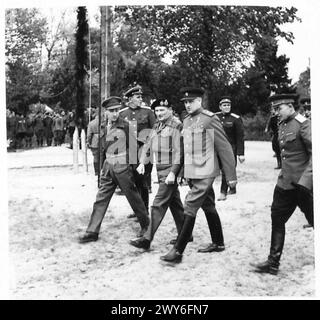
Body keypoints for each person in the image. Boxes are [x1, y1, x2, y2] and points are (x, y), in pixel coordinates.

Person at [160, 87, 237, 263]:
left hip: (206, 171)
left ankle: (178, 251)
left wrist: (231, 177)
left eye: (191, 101)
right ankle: (218, 242)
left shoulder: (210, 119)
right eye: (185, 102)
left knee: (189, 205)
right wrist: (179, 172)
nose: (187, 105)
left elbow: (224, 148)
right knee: (208, 205)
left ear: (199, 101)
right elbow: (184, 150)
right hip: (193, 171)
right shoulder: (186, 121)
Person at [251, 93, 313, 275]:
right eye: (274, 109)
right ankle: (272, 263)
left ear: (290, 106)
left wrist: (306, 181)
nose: (276, 112)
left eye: (279, 108)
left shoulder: (304, 124)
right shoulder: (282, 124)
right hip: (285, 183)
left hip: (303, 186)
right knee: (277, 217)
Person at [79, 96, 150, 244]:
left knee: (134, 198)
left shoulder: (126, 125)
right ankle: (92, 231)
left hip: (122, 166)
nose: (115, 113)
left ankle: (146, 227)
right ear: (105, 112)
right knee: (101, 198)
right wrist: (101, 168)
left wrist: (133, 168)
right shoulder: (102, 126)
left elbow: (133, 147)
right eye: (111, 111)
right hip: (108, 166)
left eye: (117, 110)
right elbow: (102, 148)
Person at [129, 98, 186, 250]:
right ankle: (185, 233)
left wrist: (174, 173)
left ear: (170, 110)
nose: (159, 113)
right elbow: (148, 145)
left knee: (158, 205)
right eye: (157, 111)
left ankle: (147, 238)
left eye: (162, 110)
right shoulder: (157, 125)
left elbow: (180, 152)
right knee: (175, 204)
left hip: (169, 170)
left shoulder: (176, 125)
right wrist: (142, 162)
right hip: (161, 170)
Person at [120, 85, 156, 217]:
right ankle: (137, 210)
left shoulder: (148, 112)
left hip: (144, 151)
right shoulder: (122, 113)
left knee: (143, 182)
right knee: (133, 182)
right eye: (138, 97)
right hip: (130, 152)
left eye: (141, 96)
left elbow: (154, 131)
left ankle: (144, 210)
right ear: (130, 99)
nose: (141, 99)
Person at [215, 96, 245, 201]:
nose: (227, 107)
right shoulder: (215, 117)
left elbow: (240, 137)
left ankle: (223, 192)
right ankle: (233, 187)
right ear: (220, 107)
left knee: (226, 169)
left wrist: (241, 153)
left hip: (231, 148)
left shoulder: (236, 118)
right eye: (224, 105)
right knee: (218, 168)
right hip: (217, 148)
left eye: (228, 105)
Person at [86, 107, 106, 176]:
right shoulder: (105, 122)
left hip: (94, 141)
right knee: (102, 157)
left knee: (95, 157)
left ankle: (96, 172)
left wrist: (88, 142)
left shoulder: (91, 123)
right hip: (103, 140)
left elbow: (89, 135)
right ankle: (102, 170)